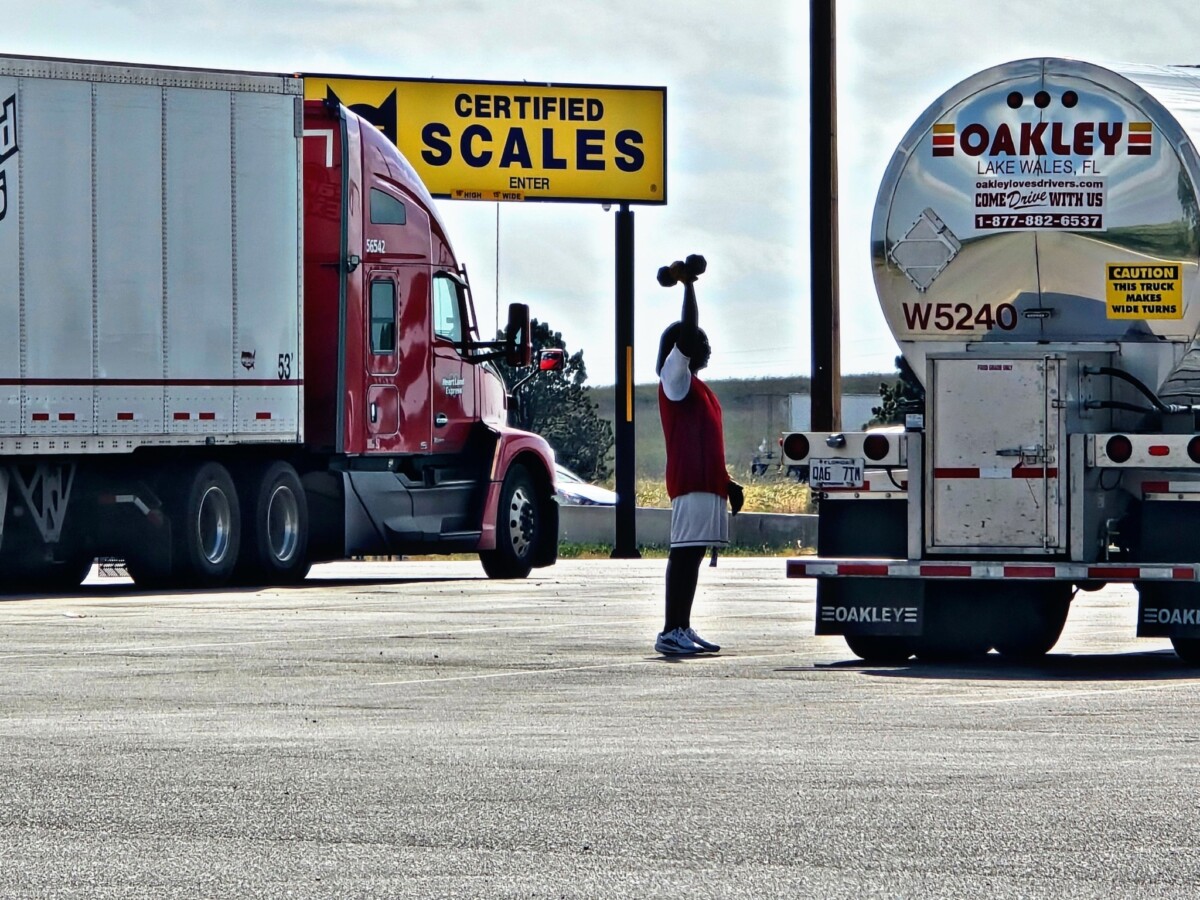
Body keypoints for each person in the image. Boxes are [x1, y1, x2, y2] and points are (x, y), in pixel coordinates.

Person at [654, 258, 743, 656]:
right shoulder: (675, 380)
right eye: (701, 343)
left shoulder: (700, 389)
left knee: (695, 555)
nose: (707, 346)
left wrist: (727, 484)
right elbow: (688, 334)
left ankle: (683, 626)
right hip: (689, 484)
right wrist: (688, 286)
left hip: (707, 485)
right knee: (685, 555)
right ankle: (669, 630)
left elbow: (708, 442)